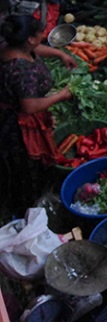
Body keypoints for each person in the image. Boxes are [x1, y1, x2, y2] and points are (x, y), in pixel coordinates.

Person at [0, 16, 77, 219]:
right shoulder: (21, 71)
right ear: (31, 40)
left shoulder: (10, 45)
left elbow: (35, 50)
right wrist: (61, 95)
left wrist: (59, 54)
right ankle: (28, 210)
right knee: (25, 168)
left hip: (11, 112)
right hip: (17, 127)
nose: (44, 36)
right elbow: (30, 106)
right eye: (40, 34)